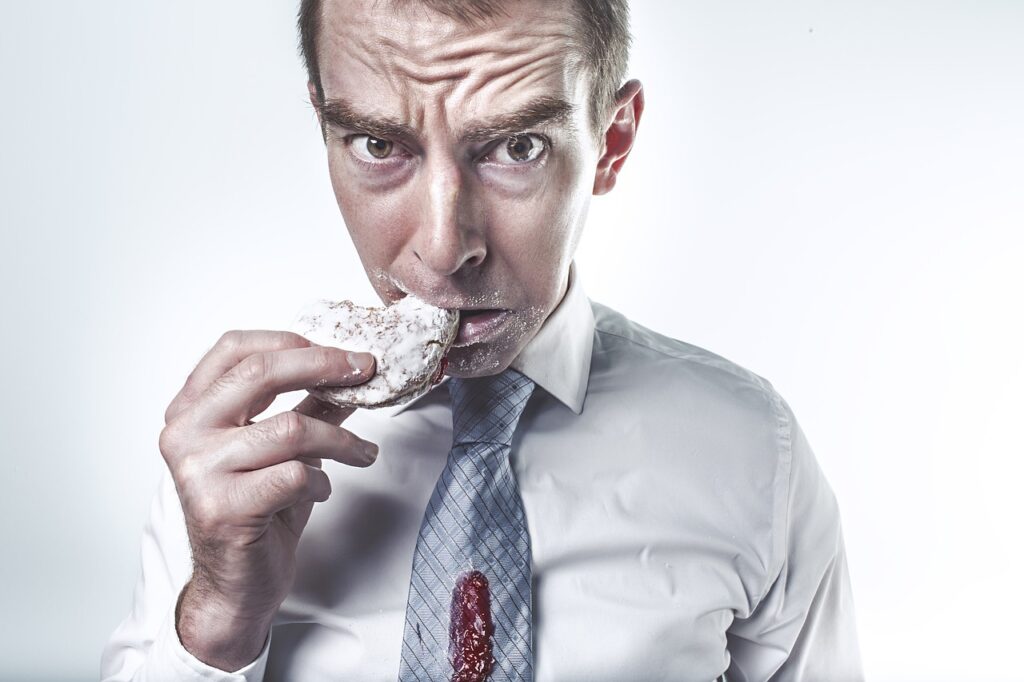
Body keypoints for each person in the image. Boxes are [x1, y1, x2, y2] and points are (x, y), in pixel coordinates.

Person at [101, 0, 863, 680]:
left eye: (517, 147)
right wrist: (214, 630)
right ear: (325, 128)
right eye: (375, 144)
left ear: (612, 141)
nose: (442, 247)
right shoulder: (238, 449)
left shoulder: (754, 452)